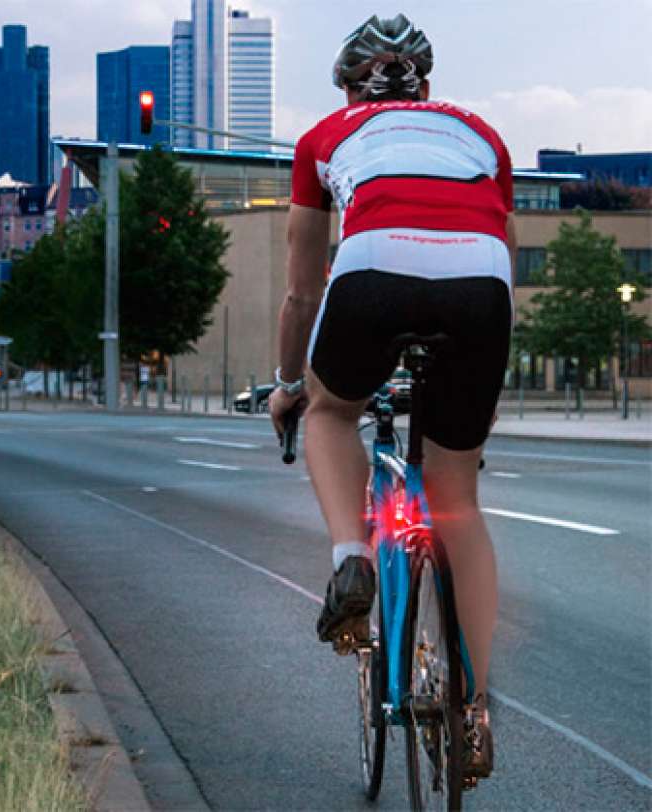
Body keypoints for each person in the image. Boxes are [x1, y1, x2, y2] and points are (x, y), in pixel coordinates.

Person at [267, 13, 514, 780]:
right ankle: (471, 713)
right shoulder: (482, 134)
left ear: (348, 87)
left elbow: (303, 292)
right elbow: (487, 231)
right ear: (426, 88)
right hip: (481, 280)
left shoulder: (323, 138)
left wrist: (287, 387)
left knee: (332, 412)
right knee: (458, 504)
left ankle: (351, 559)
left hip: (373, 265)